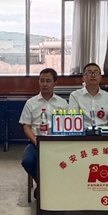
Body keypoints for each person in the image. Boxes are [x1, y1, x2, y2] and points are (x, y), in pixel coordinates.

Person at [19, 68, 69, 200]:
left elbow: (67, 125)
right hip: (36, 142)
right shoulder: (31, 103)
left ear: (55, 83)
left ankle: (55, 185)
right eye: (42, 81)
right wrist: (36, 141)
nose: (44, 84)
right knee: (27, 161)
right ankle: (43, 184)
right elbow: (26, 126)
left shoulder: (63, 103)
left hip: (57, 143)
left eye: (48, 81)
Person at [67, 62, 108, 127]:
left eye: (96, 72)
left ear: (100, 78)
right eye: (89, 72)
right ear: (83, 78)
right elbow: (73, 118)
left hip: (103, 131)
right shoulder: (75, 96)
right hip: (83, 131)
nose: (93, 75)